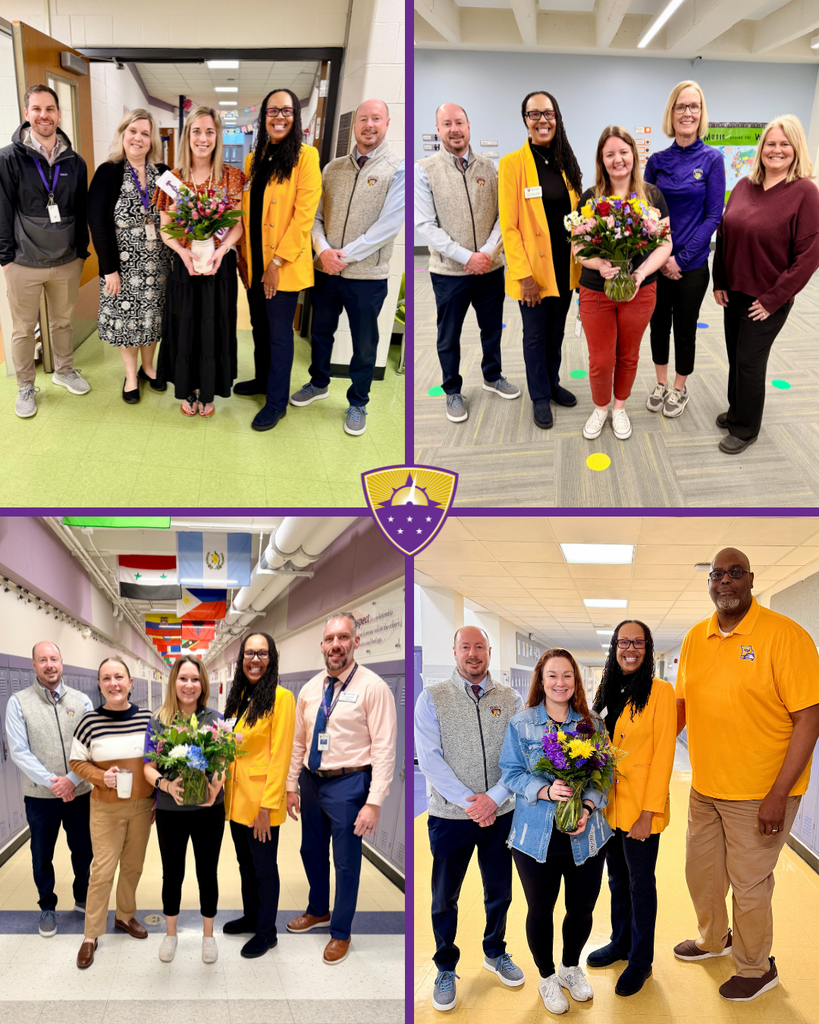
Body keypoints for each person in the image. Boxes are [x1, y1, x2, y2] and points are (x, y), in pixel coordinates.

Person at [674, 547, 819, 1001]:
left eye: (735, 573)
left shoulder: (785, 635)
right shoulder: (696, 637)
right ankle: (714, 940)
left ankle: (757, 969)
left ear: (751, 579)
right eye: (718, 574)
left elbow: (809, 719)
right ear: (710, 582)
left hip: (761, 794)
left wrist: (778, 794)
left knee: (749, 887)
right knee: (702, 875)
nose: (726, 581)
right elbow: (681, 708)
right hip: (706, 788)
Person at [414, 625, 524, 1012]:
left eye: (479, 647)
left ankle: (495, 952)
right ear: (455, 652)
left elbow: (520, 758)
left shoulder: (511, 699)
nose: (472, 654)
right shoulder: (432, 698)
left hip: (501, 814)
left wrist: (492, 800)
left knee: (500, 891)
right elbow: (430, 759)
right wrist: (470, 803)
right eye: (465, 647)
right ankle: (445, 965)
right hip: (449, 818)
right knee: (445, 896)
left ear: (490, 652)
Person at [500, 648, 613, 1015]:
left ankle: (569, 968)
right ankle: (547, 976)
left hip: (586, 835)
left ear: (575, 681)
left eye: (567, 676)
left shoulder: (591, 724)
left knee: (581, 910)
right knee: (541, 910)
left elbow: (604, 774)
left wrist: (587, 805)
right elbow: (511, 773)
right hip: (536, 837)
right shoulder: (521, 724)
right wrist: (546, 790)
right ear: (541, 680)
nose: (560, 683)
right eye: (552, 675)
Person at [286, 612, 397, 966]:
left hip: (350, 784)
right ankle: (318, 909)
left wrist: (374, 801)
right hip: (312, 782)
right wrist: (292, 785)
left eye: (343, 637)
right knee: (310, 852)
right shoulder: (309, 689)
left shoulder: (373, 687)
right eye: (330, 639)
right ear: (322, 645)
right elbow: (298, 744)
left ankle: (341, 931)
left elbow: (384, 748)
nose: (336, 645)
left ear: (355, 642)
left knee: (346, 862)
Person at [291, 99, 404, 437]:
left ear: (387, 123)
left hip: (366, 276)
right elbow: (315, 217)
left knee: (364, 343)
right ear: (355, 125)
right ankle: (318, 383)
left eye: (376, 119)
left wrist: (344, 255)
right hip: (326, 271)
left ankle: (358, 402)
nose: (369, 125)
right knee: (321, 333)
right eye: (363, 119)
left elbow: (388, 225)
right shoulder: (332, 169)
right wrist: (323, 251)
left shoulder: (397, 169)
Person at [712, 115, 819, 454]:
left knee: (749, 361)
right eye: (771, 144)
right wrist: (720, 281)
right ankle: (736, 411)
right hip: (736, 290)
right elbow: (725, 234)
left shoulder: (805, 192)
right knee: (735, 356)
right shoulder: (744, 185)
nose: (776, 150)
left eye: (784, 144)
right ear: (761, 149)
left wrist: (774, 299)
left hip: (769, 297)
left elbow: (809, 256)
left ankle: (745, 429)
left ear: (796, 149)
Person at [415, 103, 520, 424]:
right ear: (439, 130)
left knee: (492, 328)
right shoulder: (426, 169)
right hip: (449, 272)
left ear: (469, 126)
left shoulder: (490, 167)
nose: (454, 129)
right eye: (447, 124)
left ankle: (492, 375)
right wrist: (466, 257)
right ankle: (452, 390)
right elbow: (424, 225)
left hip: (491, 268)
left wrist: (486, 253)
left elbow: (504, 216)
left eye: (459, 122)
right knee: (449, 335)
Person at [587, 621, 675, 996]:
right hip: (609, 809)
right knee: (617, 880)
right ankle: (620, 942)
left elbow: (663, 756)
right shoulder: (606, 690)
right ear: (614, 647)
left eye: (639, 642)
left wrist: (648, 813)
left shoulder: (660, 692)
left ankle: (641, 960)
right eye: (624, 642)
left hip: (641, 810)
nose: (631, 648)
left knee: (641, 885)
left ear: (648, 648)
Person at [574, 127, 672, 442]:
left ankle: (619, 407)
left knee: (628, 355)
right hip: (596, 290)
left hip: (641, 290)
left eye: (623, 152)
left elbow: (665, 244)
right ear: (602, 160)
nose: (618, 159)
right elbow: (577, 246)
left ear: (634, 155)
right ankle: (601, 408)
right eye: (610, 154)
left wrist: (641, 273)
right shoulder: (591, 198)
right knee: (600, 359)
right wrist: (599, 263)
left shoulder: (653, 195)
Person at [0, 84, 91, 419]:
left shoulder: (74, 161)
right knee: (23, 328)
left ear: (58, 113)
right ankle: (25, 385)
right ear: (26, 114)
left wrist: (82, 251)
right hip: (23, 261)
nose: (43, 115)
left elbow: (81, 210)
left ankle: (65, 370)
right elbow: (2, 210)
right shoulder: (8, 159)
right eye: (36, 109)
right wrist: (6, 259)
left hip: (66, 260)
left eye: (49, 109)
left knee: (62, 322)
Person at [234, 89, 322, 431]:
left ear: (295, 116)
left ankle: (276, 402)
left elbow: (303, 218)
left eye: (286, 111)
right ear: (264, 117)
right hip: (254, 265)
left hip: (282, 268)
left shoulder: (306, 157)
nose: (279, 117)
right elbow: (246, 213)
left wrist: (276, 265)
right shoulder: (253, 159)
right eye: (273, 111)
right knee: (259, 328)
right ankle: (261, 380)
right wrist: (243, 258)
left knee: (279, 335)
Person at [498, 91, 583, 429]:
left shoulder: (565, 161)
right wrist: (524, 276)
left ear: (557, 118)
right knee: (534, 336)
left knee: (555, 332)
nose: (542, 120)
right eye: (534, 114)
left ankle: (552, 383)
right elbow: (510, 226)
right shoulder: (512, 164)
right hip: (532, 272)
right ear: (525, 121)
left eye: (548, 113)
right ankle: (538, 396)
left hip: (564, 268)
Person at [154, 105, 245, 417]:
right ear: (187, 136)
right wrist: (182, 252)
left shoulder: (232, 177)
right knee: (185, 328)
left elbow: (238, 227)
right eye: (196, 131)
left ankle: (208, 391)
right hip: (184, 266)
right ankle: (188, 388)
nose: (203, 138)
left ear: (217, 136)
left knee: (213, 329)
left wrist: (221, 251)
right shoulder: (172, 179)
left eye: (209, 131)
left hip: (219, 268)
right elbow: (166, 228)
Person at [644, 82, 724, 418]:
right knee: (658, 324)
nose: (687, 113)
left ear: (701, 113)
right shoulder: (656, 161)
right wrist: (661, 258)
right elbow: (644, 212)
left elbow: (713, 215)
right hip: (657, 262)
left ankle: (680, 387)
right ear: (671, 113)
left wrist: (681, 258)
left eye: (694, 107)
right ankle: (661, 383)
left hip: (690, 267)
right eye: (681, 106)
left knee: (685, 327)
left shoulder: (712, 159)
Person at [69, 657, 153, 968]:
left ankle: (125, 916)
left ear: (131, 683)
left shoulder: (147, 717)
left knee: (133, 866)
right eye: (106, 678)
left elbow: (155, 760)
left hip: (142, 806)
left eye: (119, 677)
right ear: (100, 685)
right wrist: (99, 776)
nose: (114, 683)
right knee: (102, 871)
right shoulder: (89, 721)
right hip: (105, 808)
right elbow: (77, 762)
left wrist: (156, 797)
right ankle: (91, 935)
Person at [5, 642, 94, 938]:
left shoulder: (82, 701)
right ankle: (47, 906)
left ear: (62, 662)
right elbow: (19, 751)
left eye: (53, 658)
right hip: (40, 797)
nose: (49, 665)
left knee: (83, 850)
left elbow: (91, 744)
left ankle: (82, 897)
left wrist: (71, 779)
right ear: (33, 664)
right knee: (41, 854)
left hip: (80, 793)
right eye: (42, 660)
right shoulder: (18, 702)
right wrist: (54, 783)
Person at [143, 655, 225, 964]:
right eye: (183, 679)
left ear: (202, 683)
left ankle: (208, 936)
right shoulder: (159, 720)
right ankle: (171, 934)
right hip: (170, 811)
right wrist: (167, 786)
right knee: (172, 873)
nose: (189, 685)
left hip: (208, 810)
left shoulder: (214, 719)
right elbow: (148, 768)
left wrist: (215, 787)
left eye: (194, 679)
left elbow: (222, 763)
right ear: (173, 683)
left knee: (207, 872)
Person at [87, 108, 171, 403]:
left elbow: (181, 212)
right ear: (123, 134)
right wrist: (108, 269)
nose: (138, 138)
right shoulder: (108, 172)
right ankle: (131, 375)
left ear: (152, 140)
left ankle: (149, 367)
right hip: (121, 266)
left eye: (145, 133)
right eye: (133, 131)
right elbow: (97, 223)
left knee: (152, 319)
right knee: (127, 320)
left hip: (159, 264)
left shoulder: (163, 174)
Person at [222, 632, 295, 959]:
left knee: (264, 869)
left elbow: (280, 757)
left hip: (260, 805)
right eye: (249, 654)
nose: (255, 660)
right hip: (236, 801)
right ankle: (252, 917)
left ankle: (267, 932)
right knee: (244, 865)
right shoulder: (239, 696)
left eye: (262, 654)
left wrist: (267, 807)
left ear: (272, 658)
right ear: (241, 660)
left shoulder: (281, 699)